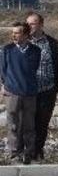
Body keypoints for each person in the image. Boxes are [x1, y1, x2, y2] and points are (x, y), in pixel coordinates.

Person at [26, 11, 58, 161]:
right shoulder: (23, 43)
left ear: (41, 25)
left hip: (47, 91)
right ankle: (27, 152)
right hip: (27, 92)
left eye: (33, 23)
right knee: (27, 123)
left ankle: (38, 152)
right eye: (27, 24)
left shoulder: (52, 44)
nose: (29, 26)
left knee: (42, 124)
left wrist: (55, 87)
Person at [0, 22, 41, 165]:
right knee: (13, 125)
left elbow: (33, 69)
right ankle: (14, 153)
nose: (13, 35)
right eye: (13, 32)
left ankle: (29, 153)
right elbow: (3, 71)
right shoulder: (7, 50)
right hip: (12, 93)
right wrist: (6, 85)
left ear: (25, 35)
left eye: (17, 33)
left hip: (30, 92)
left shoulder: (35, 51)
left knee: (29, 125)